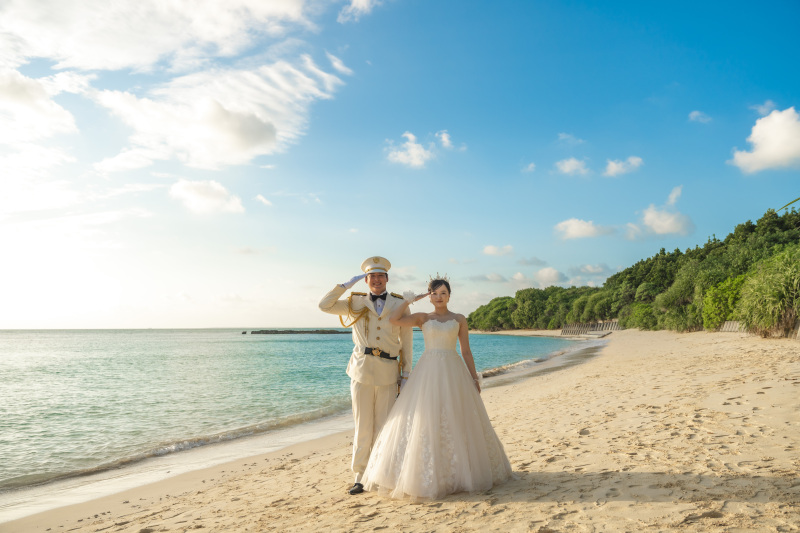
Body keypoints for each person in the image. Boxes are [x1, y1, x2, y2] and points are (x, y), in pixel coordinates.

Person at [360, 276, 513, 500]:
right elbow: (394, 319)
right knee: (426, 418)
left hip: (454, 370)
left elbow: (466, 351)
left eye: (443, 293)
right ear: (429, 296)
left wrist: (474, 378)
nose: (439, 297)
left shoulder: (459, 319)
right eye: (434, 293)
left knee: (457, 417)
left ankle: (462, 473)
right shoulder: (423, 317)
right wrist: (410, 300)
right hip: (428, 371)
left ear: (449, 295)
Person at [318, 256, 413, 495]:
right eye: (372, 277)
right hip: (361, 370)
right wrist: (345, 286)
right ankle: (360, 475)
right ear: (366, 280)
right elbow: (324, 306)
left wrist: (407, 372)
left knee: (383, 425)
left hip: (389, 371)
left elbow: (407, 341)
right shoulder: (355, 302)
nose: (377, 280)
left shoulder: (400, 303)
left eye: (381, 276)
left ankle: (381, 471)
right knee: (362, 425)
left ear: (387, 279)